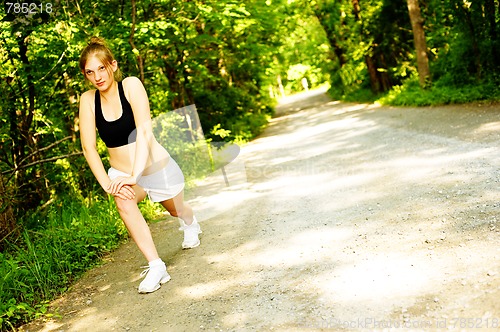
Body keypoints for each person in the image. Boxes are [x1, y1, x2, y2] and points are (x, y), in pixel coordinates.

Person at [78, 37, 201, 294]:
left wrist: (136, 174)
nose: (97, 76)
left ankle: (190, 223)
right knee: (123, 200)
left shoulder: (131, 85)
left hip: (153, 166)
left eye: (101, 68)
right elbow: (89, 147)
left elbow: (144, 131)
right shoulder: (88, 100)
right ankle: (156, 266)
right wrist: (108, 183)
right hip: (122, 172)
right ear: (85, 75)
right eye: (90, 72)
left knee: (177, 210)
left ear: (112, 65)